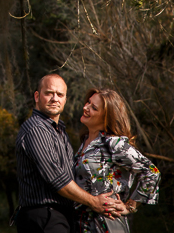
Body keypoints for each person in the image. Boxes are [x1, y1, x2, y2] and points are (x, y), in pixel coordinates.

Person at [15, 74, 125, 233]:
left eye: (59, 94)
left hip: (59, 216)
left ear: (65, 99)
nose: (55, 98)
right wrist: (94, 202)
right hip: (44, 216)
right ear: (37, 96)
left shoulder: (58, 130)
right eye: (49, 93)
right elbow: (57, 179)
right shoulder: (36, 129)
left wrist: (127, 206)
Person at [73, 88, 161, 233]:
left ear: (107, 118)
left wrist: (130, 206)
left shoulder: (113, 144)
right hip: (82, 223)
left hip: (106, 223)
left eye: (93, 108)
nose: (85, 108)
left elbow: (152, 172)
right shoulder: (85, 141)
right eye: (88, 102)